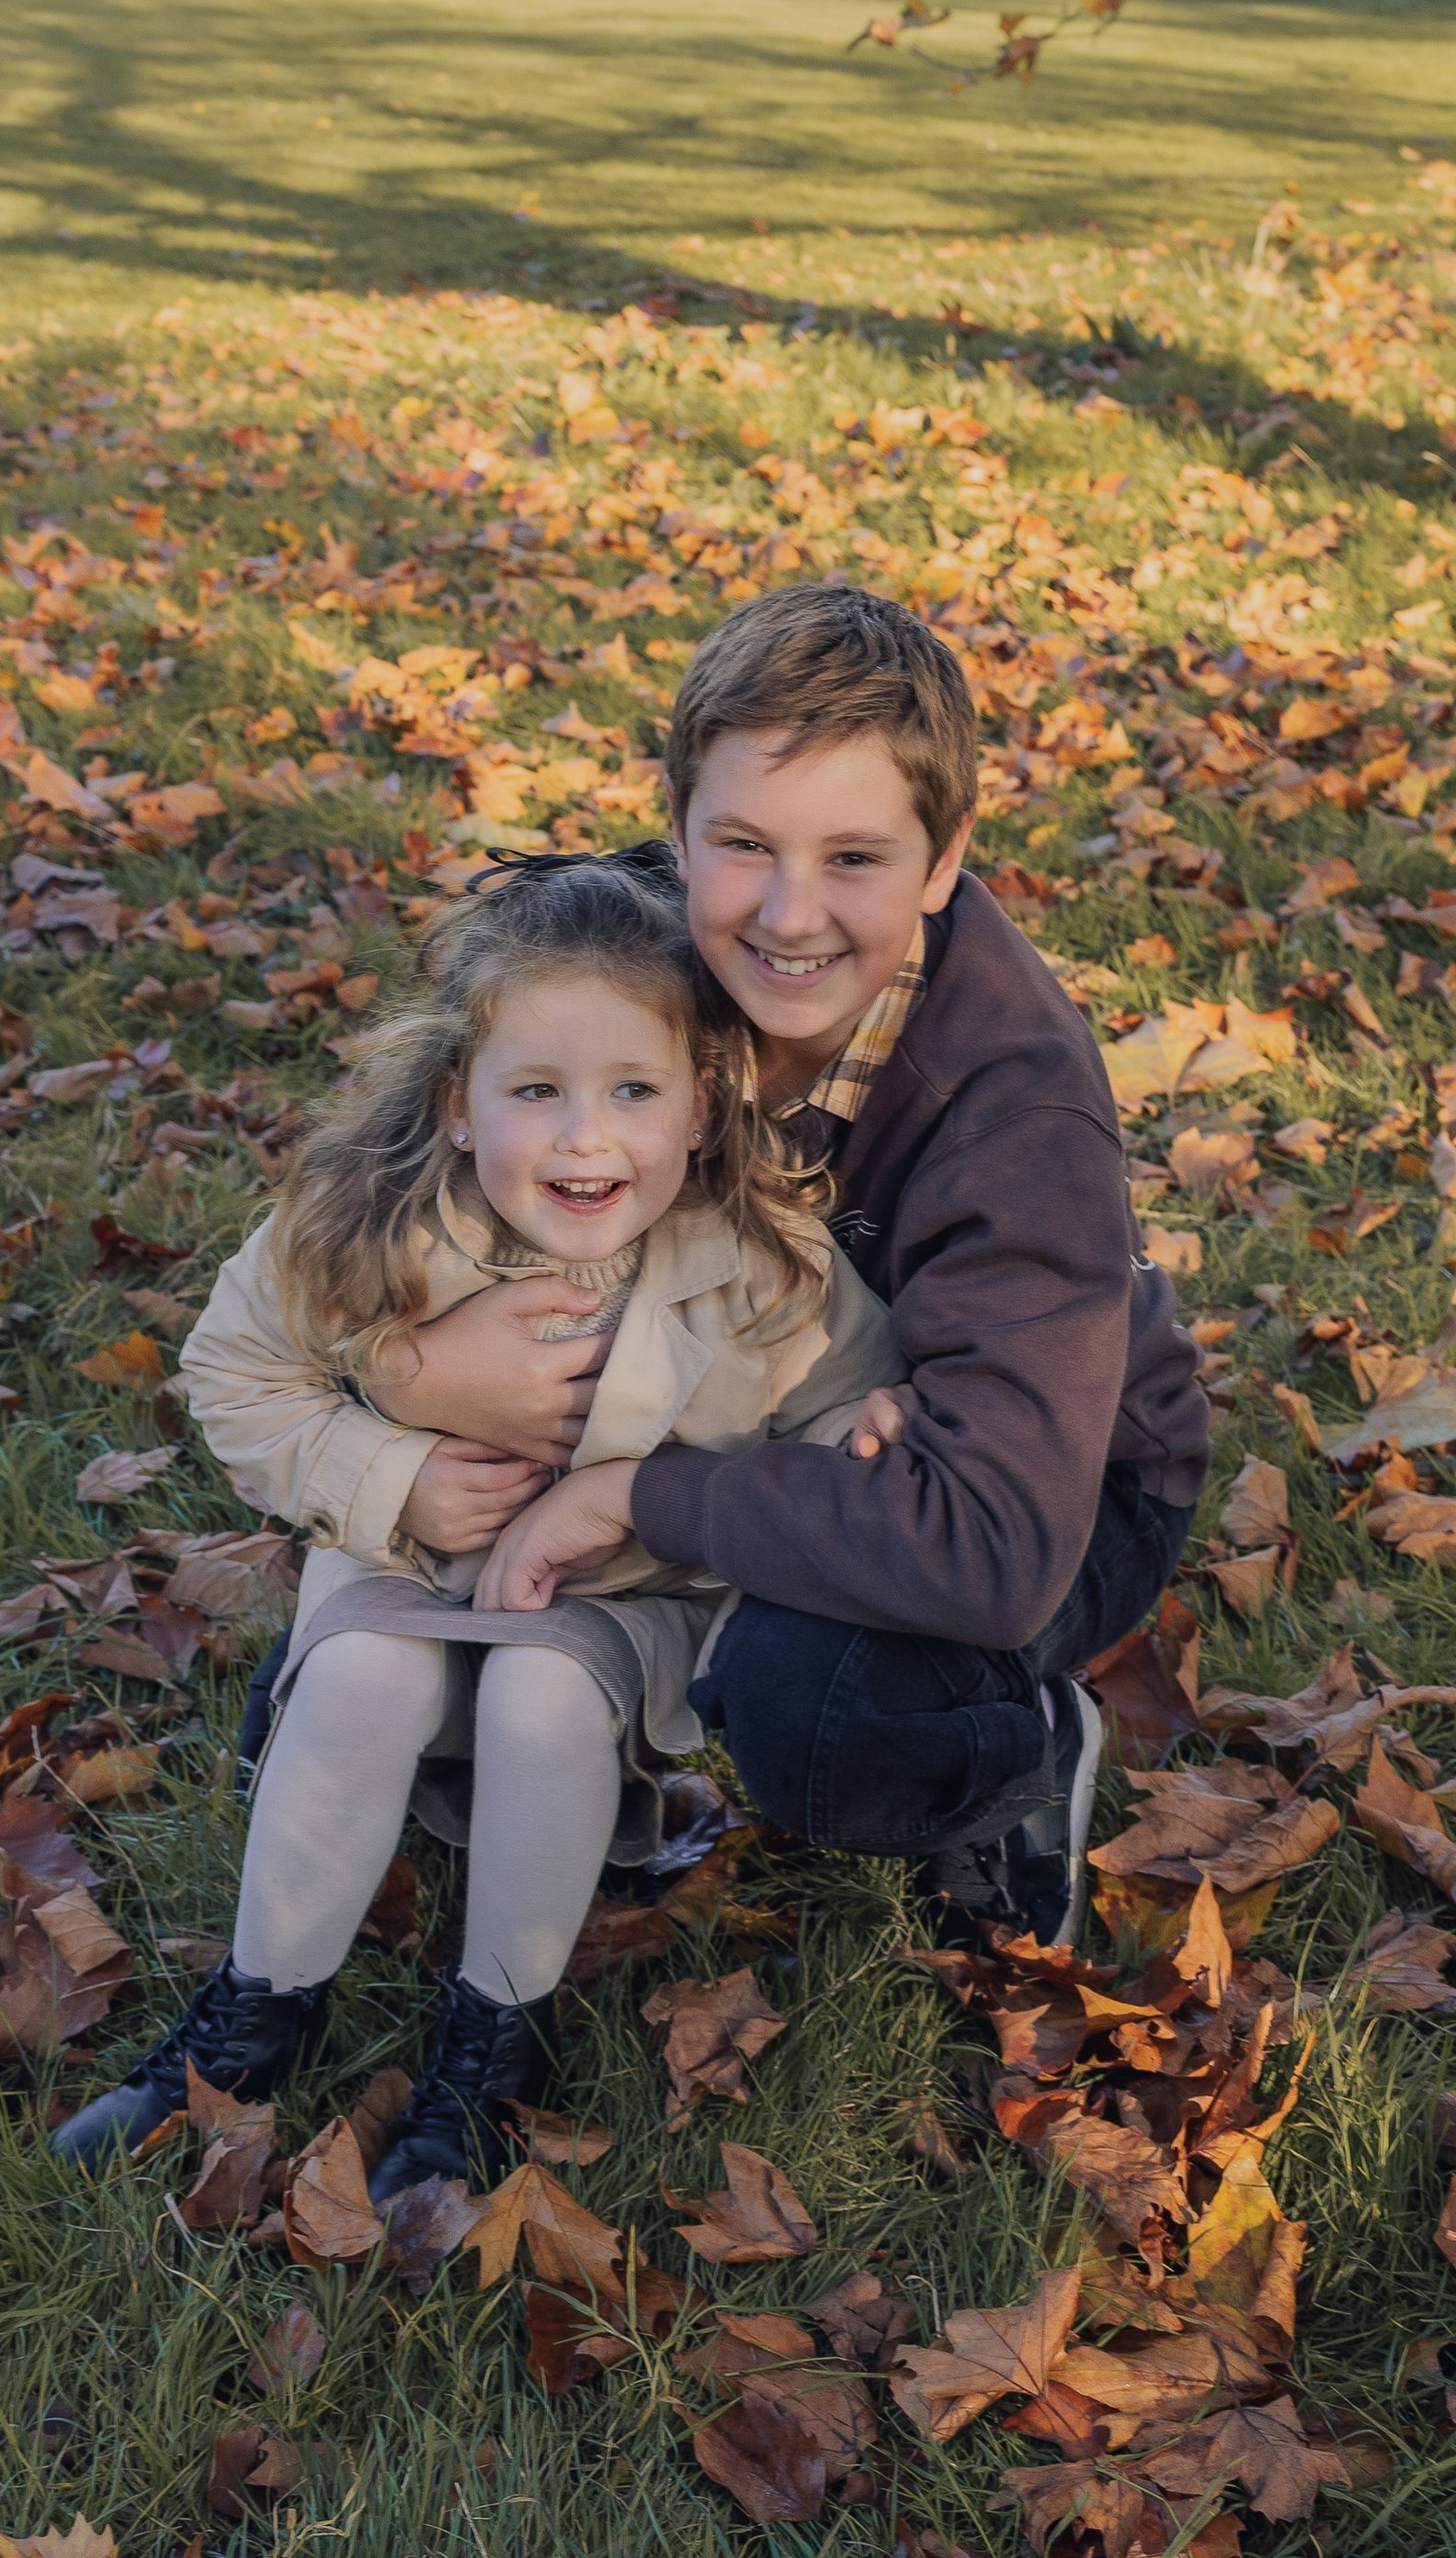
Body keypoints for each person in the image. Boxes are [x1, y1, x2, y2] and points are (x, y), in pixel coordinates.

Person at [377, 584, 1208, 1949]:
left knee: (814, 1703)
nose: (788, 914)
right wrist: (410, 1360)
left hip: (1046, 1479)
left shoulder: (1016, 1109)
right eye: (744, 844)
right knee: (348, 1676)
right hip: (738, 1396)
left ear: (945, 863)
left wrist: (634, 1496)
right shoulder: (624, 952)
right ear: (680, 824)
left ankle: (1023, 1767)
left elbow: (993, 1550)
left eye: (857, 860)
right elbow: (368, 1203)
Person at [49, 849, 900, 2181]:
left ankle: (491, 2042)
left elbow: (853, 1423)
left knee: (541, 1702)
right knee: (364, 1677)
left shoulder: (764, 1273)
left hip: (618, 1606)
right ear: (458, 1105)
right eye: (537, 1093)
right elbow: (232, 1366)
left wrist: (869, 1429)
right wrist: (392, 1472)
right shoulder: (366, 1223)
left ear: (700, 1106)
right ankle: (247, 2021)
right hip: (410, 1569)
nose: (585, 1137)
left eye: (633, 1090)